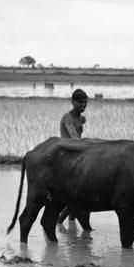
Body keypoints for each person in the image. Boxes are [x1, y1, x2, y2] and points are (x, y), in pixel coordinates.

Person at [58, 89, 88, 226]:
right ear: (73, 102)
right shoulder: (67, 118)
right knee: (74, 196)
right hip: (67, 155)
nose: (83, 106)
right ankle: (59, 222)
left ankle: (71, 224)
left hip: (78, 154)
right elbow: (74, 138)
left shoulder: (82, 118)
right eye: (80, 103)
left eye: (85, 103)